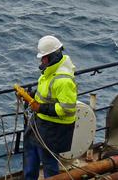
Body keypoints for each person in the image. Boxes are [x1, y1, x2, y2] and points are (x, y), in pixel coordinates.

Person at [21, 35, 77, 180]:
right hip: (40, 122)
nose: (41, 60)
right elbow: (45, 94)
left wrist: (40, 108)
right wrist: (30, 95)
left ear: (53, 56)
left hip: (54, 128)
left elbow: (67, 109)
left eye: (44, 57)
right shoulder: (49, 72)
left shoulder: (63, 80)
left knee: (49, 163)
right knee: (30, 152)